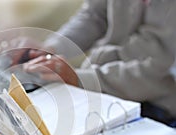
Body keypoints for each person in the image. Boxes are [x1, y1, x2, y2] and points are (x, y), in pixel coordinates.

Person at [20, 0, 176, 126]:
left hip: (156, 107)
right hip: (99, 84)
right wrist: (50, 48)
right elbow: (94, 16)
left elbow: (157, 72)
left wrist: (79, 79)